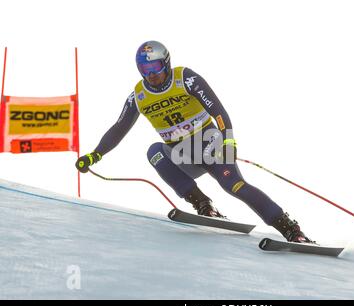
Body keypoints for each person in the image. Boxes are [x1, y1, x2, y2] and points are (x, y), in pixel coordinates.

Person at [75, 40, 313, 243]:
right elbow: (119, 128)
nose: (152, 75)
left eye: (155, 67)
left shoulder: (185, 78)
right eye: (145, 70)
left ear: (166, 62)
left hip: (211, 146)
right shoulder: (139, 96)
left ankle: (291, 229)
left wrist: (229, 142)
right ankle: (203, 204)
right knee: (154, 152)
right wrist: (95, 155)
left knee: (234, 186)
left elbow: (219, 112)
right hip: (182, 154)